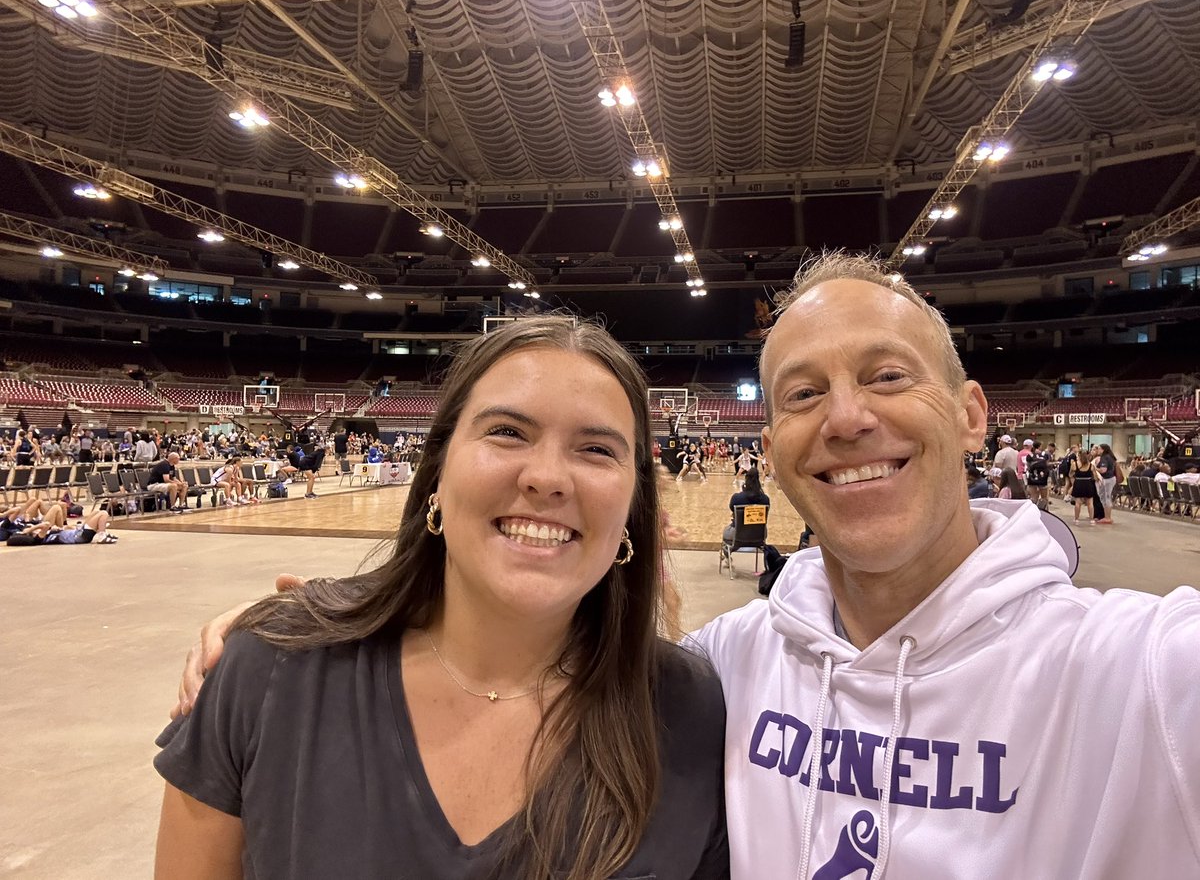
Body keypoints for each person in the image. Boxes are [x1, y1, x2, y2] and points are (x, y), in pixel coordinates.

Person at [178, 255, 1200, 878]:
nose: (847, 418)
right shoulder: (725, 670)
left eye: (888, 375)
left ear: (973, 413)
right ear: (774, 443)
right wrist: (293, 639)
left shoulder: (1146, 670)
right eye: (802, 394)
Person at [155, 316, 728, 880]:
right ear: (437, 470)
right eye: (508, 432)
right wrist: (285, 626)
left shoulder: (690, 708)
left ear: (633, 506)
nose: (548, 477)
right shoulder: (271, 667)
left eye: (597, 449)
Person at [721, 469, 770, 567]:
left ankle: (727, 554)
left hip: (738, 533)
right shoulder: (765, 499)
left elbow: (731, 508)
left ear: (746, 479)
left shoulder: (737, 498)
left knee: (726, 534)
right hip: (759, 534)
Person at [1068, 449, 1100, 524]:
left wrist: (1074, 478)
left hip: (1078, 483)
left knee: (1078, 502)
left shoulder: (1074, 464)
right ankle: (1092, 519)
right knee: (1090, 503)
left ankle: (1076, 519)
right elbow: (1095, 477)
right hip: (1088, 484)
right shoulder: (1091, 465)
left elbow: (1070, 474)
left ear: (1079, 455)